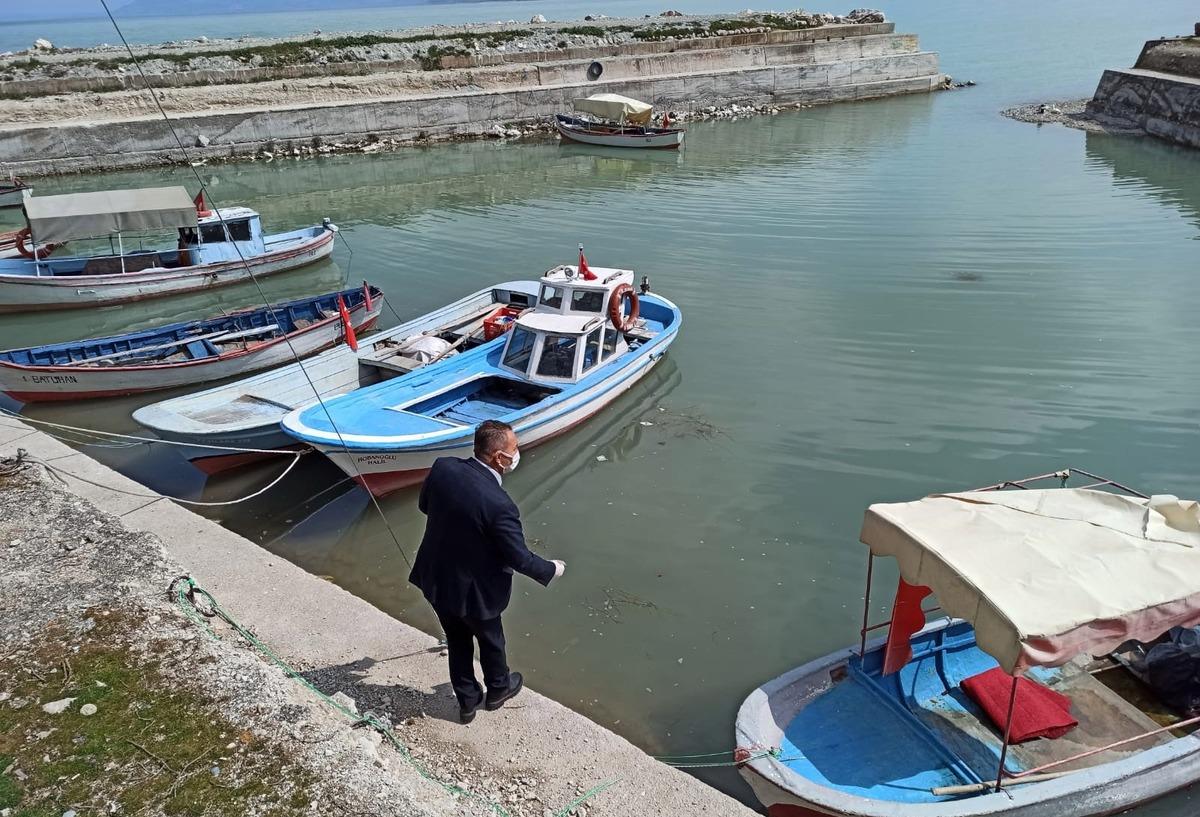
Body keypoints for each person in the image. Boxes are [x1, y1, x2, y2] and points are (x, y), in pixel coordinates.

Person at [409, 420, 566, 723]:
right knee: (491, 640)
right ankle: (498, 689)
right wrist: (551, 569)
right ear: (499, 458)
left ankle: (467, 702)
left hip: (436, 577)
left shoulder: (443, 467)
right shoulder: (500, 504)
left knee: (457, 639)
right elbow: (519, 558)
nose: (517, 453)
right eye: (514, 449)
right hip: (477, 591)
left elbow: (425, 506)